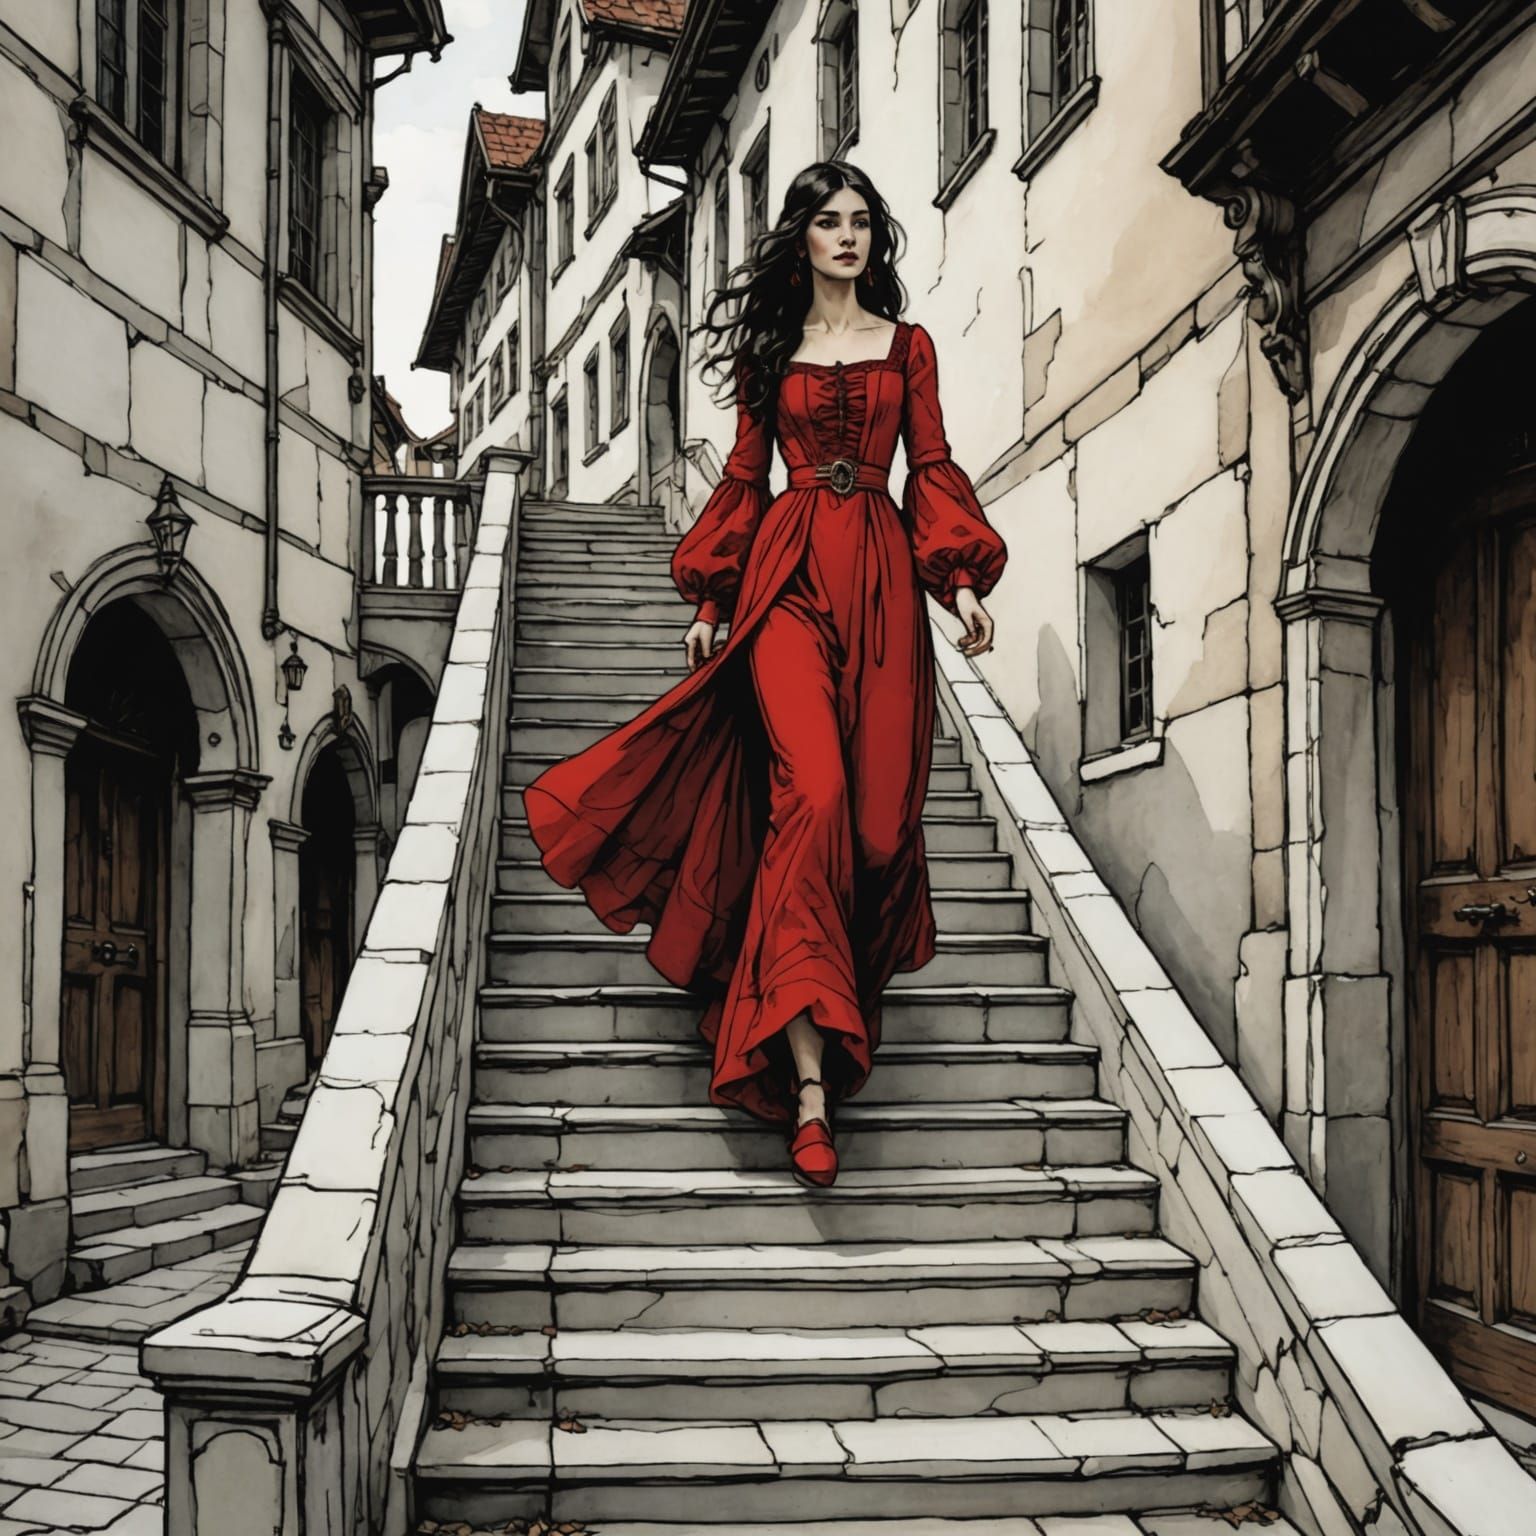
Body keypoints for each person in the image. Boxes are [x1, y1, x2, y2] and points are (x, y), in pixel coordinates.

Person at [523, 161, 1007, 1188]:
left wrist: (958, 580)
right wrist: (711, 602)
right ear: (802, 238)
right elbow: (746, 476)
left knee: (877, 831)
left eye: (862, 223)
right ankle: (808, 1088)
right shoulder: (769, 357)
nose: (848, 237)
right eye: (829, 222)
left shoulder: (907, 348)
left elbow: (932, 463)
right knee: (813, 798)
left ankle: (830, 1005)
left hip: (880, 575)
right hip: (787, 576)